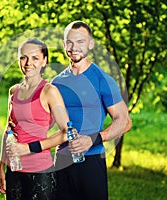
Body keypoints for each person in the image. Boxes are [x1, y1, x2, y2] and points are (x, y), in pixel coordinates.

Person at [50, 21, 132, 200]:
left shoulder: (102, 79)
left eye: (80, 42)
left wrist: (92, 140)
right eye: (69, 42)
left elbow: (124, 121)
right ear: (64, 45)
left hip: (92, 160)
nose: (74, 47)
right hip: (62, 160)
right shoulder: (56, 83)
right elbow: (45, 122)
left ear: (90, 44)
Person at [0, 38, 70, 200]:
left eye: (35, 58)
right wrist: (1, 167)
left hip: (41, 172)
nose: (28, 63)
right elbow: (8, 131)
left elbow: (67, 132)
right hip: (14, 172)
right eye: (23, 57)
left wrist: (27, 148)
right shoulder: (13, 91)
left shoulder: (50, 91)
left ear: (44, 61)